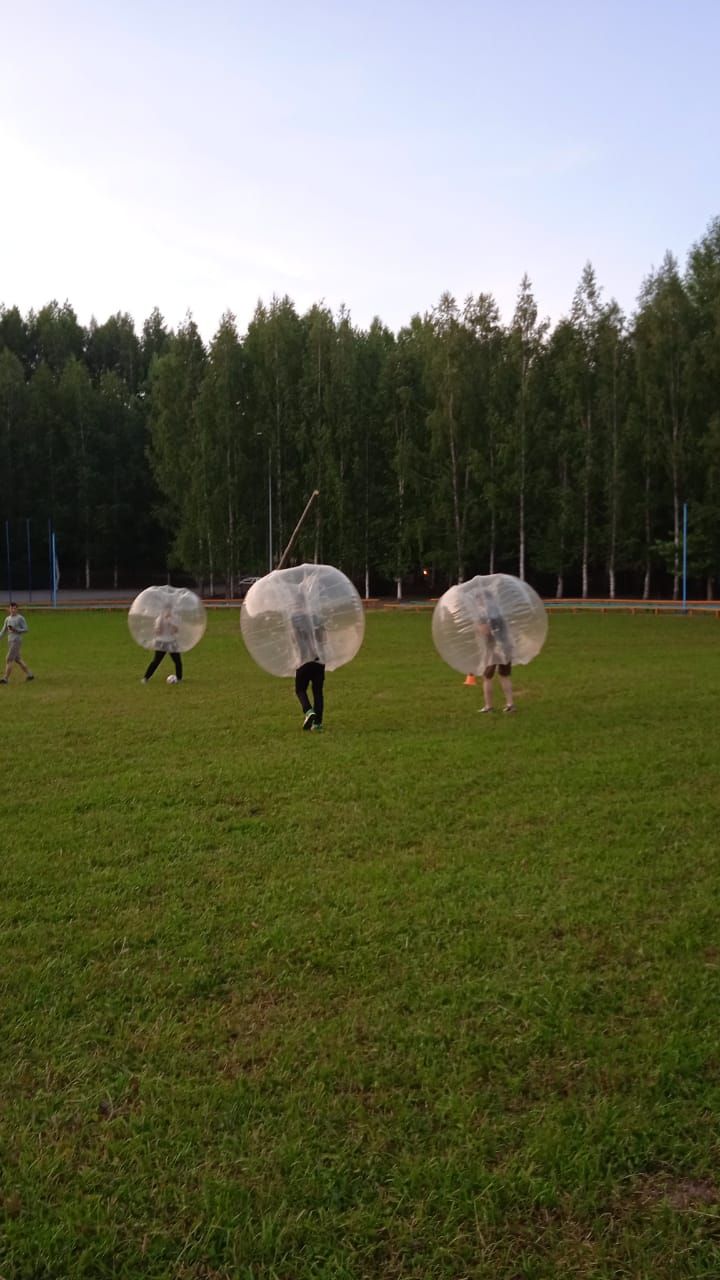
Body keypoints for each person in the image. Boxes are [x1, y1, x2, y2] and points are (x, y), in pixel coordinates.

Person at [477, 594, 515, 714]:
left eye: (479, 601)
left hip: (494, 648)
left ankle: (488, 706)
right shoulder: (499, 612)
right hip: (506, 646)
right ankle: (510, 704)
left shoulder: (484, 615)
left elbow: (485, 631)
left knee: (487, 677)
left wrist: (477, 626)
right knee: (504, 675)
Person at [291, 607, 325, 732]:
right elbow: (323, 638)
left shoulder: (295, 619)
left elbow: (294, 641)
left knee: (300, 689)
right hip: (319, 660)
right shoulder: (316, 617)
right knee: (318, 692)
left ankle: (308, 711)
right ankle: (317, 724)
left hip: (303, 661)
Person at [141, 606, 182, 683]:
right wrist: (160, 626)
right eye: (166, 610)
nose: (168, 612)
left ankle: (179, 678)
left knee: (177, 661)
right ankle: (146, 678)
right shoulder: (159, 619)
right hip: (161, 642)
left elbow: (175, 631)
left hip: (171, 642)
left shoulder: (174, 618)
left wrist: (170, 622)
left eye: (169, 610)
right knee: (156, 661)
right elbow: (157, 632)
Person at [0, 602, 34, 684]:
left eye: (15, 608)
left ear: (17, 609)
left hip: (16, 641)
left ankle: (5, 679)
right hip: (10, 641)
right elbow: (3, 631)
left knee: (9, 659)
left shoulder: (20, 618)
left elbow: (26, 629)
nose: (13, 610)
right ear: (9, 609)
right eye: (11, 608)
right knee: (18, 659)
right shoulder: (7, 619)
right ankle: (30, 675)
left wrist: (16, 630)